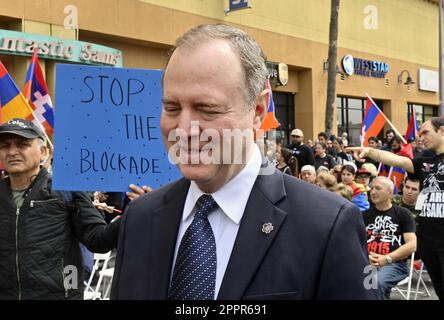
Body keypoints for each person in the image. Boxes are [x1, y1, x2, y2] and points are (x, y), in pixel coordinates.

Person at [111, 24, 375, 300]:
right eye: (172, 108)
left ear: (258, 111)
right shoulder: (139, 218)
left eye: (207, 109)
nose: (184, 129)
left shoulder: (327, 226)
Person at [0, 119, 120, 299]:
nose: (12, 152)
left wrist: (135, 211)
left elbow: (98, 240)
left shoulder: (66, 190)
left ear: (43, 152)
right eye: (4, 146)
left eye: (22, 144)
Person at [348, 117, 444, 300]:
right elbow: (398, 161)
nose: (421, 137)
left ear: (442, 131)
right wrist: (369, 151)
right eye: (419, 134)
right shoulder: (425, 160)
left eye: (425, 132)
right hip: (429, 242)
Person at [363, 177, 416, 300]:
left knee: (374, 282)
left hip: (394, 264)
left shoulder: (403, 214)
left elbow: (412, 244)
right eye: (372, 188)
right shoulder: (363, 215)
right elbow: (355, 242)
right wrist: (366, 256)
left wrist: (387, 259)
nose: (373, 192)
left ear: (390, 193)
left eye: (378, 188)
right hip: (366, 262)